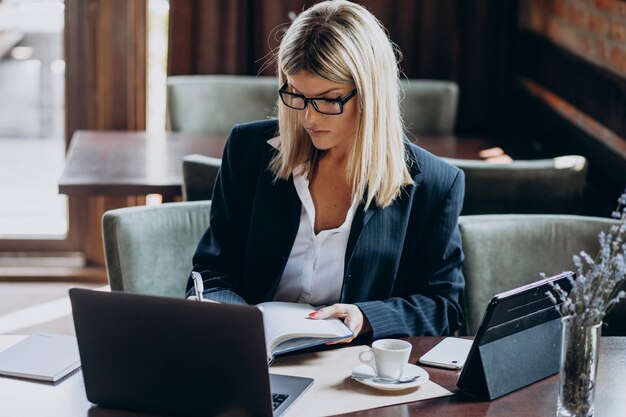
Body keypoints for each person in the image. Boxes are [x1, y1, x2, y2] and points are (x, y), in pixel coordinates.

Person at [185, 0, 465, 343]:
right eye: (297, 95)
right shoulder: (248, 150)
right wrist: (236, 322)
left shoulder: (434, 184)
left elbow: (445, 306)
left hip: (352, 370)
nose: (309, 119)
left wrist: (366, 317)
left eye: (329, 100)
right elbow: (211, 271)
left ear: (370, 94)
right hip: (252, 356)